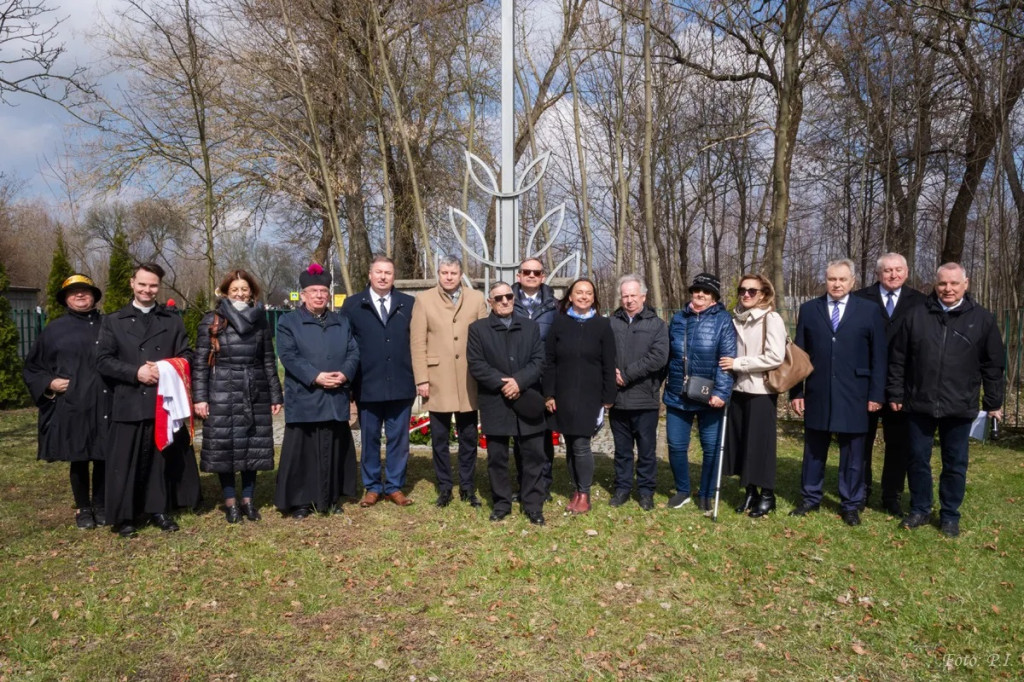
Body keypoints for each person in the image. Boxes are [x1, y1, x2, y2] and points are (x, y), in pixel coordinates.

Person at [888, 263, 1005, 538]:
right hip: (919, 402)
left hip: (959, 405)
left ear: (966, 284)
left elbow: (993, 365)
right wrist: (895, 392)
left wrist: (993, 403)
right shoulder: (916, 316)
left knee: (955, 463)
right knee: (917, 459)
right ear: (935, 285)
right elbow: (898, 359)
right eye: (942, 284)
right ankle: (920, 507)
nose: (948, 289)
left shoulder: (982, 319)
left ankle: (950, 514)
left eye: (954, 283)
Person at [96, 262, 200, 537]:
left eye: (153, 285)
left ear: (159, 287)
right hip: (128, 400)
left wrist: (165, 368)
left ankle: (158, 509)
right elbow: (103, 361)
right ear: (132, 283)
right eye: (142, 284)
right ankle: (125, 516)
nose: (147, 290)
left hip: (161, 402)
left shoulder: (172, 320)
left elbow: (188, 355)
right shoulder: (113, 321)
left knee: (159, 459)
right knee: (125, 461)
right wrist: (136, 372)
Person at [789, 259, 886, 526]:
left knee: (854, 453)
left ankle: (851, 503)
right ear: (825, 280)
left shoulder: (869, 310)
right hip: (818, 392)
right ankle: (810, 497)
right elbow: (799, 356)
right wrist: (797, 392)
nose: (837, 284)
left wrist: (876, 395)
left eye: (842, 279)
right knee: (814, 450)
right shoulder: (810, 309)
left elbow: (879, 355)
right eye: (832, 279)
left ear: (852, 281)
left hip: (856, 392)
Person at [192, 270, 283, 524]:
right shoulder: (212, 320)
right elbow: (200, 363)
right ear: (225, 292)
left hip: (254, 389)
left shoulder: (261, 320)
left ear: (252, 292)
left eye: (245, 289)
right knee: (225, 448)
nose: (240, 293)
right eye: (235, 289)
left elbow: (268, 360)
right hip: (221, 389)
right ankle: (230, 502)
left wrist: (275, 394)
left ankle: (248, 500)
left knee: (252, 446)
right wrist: (200, 398)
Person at [22, 275, 110, 529]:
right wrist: (49, 383)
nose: (80, 295)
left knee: (104, 454)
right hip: (74, 404)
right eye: (74, 292)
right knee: (79, 456)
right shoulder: (54, 330)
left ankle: (102, 505)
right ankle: (84, 508)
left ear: (94, 296)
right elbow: (32, 367)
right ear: (66, 299)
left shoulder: (108, 325)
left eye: (85, 291)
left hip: (105, 401)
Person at [274, 264, 360, 519]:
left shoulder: (341, 321)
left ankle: (331, 497)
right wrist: (316, 376)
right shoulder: (288, 322)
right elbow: (288, 355)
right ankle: (301, 501)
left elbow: (354, 351)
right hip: (306, 397)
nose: (319, 295)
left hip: (335, 396)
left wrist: (344, 373)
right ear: (303, 295)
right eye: (314, 291)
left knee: (333, 448)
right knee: (303, 453)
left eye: (323, 291)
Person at [410, 255, 489, 508]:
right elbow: (417, 341)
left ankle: (467, 486)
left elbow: (485, 337)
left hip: (469, 378)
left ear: (460, 273)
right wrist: (422, 378)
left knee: (468, 436)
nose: (448, 277)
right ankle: (444, 487)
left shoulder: (476, 299)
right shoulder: (424, 300)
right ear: (438, 273)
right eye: (444, 273)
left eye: (453, 273)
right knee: (440, 438)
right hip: (437, 378)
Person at [467, 281, 548, 525]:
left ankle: (532, 504)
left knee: (533, 455)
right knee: (497, 457)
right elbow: (477, 364)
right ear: (490, 302)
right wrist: (504, 384)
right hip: (495, 401)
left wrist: (519, 382)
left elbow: (538, 360)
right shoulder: (478, 329)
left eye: (509, 296)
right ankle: (502, 503)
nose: (505, 301)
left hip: (527, 399)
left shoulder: (530, 327)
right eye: (499, 298)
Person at [852, 253, 926, 515]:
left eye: (898, 270)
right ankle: (859, 491)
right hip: (864, 382)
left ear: (906, 272)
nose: (893, 275)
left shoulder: (920, 302)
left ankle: (891, 494)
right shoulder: (859, 299)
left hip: (903, 386)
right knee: (861, 441)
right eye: (887, 270)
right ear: (878, 273)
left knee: (898, 444)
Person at [340, 255, 417, 507]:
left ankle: (394, 486)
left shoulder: (409, 304)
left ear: (394, 277)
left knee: (398, 439)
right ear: (370, 275)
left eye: (389, 273)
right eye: (379, 272)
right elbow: (345, 346)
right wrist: (349, 386)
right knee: (370, 438)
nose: (383, 277)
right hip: (367, 385)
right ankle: (372, 486)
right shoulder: (353, 305)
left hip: (401, 383)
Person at [543, 277, 616, 514]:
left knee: (582, 444)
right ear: (570, 297)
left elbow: (608, 363)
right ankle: (575, 488)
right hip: (563, 394)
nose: (584, 296)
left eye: (588, 293)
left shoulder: (603, 326)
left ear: (594, 298)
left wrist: (608, 397)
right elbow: (550, 361)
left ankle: (584, 494)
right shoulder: (560, 323)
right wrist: (549, 394)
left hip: (590, 395)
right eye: (579, 292)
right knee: (571, 444)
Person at [664, 273, 736, 512]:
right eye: (696, 290)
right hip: (678, 394)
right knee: (676, 445)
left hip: (709, 396)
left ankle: (706, 493)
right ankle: (683, 490)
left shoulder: (723, 320)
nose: (700, 295)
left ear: (714, 297)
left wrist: (722, 392)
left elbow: (727, 359)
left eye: (706, 292)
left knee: (711, 447)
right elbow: (668, 354)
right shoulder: (678, 319)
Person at [719, 274, 785, 517]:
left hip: (760, 390)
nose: (746, 294)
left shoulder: (771, 318)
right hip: (738, 390)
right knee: (742, 442)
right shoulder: (736, 318)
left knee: (761, 445)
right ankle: (750, 491)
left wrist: (739, 363)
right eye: (742, 290)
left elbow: (775, 356)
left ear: (764, 294)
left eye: (752, 291)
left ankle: (768, 495)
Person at [608, 274, 668, 511]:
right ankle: (622, 488)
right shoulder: (612, 322)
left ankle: (646, 491)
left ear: (643, 296)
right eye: (625, 296)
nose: (629, 300)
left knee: (646, 451)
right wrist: (609, 373)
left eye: (634, 295)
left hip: (644, 399)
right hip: (618, 400)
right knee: (622, 450)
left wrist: (628, 374)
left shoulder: (657, 325)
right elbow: (602, 352)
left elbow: (659, 357)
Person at [511, 258, 559, 500]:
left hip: (544, 379)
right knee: (521, 436)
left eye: (536, 272)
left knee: (543, 436)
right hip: (517, 379)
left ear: (543, 276)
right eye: (526, 271)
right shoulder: (506, 301)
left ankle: (543, 485)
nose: (531, 275)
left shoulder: (555, 306)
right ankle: (524, 484)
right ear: (519, 275)